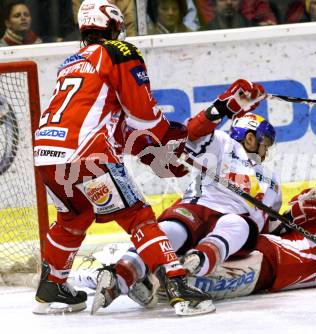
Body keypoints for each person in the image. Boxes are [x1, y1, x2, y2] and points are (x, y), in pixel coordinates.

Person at [32, 0, 215, 316]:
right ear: (114, 27)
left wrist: (151, 150)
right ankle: (177, 285)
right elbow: (143, 114)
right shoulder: (120, 52)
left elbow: (115, 126)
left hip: (48, 153)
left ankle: (52, 286)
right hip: (87, 154)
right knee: (138, 215)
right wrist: (166, 133)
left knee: (73, 217)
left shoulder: (71, 62)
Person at [74, 167, 316, 305]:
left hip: (263, 257)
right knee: (209, 251)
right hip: (268, 266)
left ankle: (120, 271)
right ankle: (150, 274)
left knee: (181, 248)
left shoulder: (308, 213)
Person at [78, 79, 274, 313]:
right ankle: (122, 274)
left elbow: (271, 228)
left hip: (225, 219)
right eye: (266, 143)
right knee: (175, 229)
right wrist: (226, 106)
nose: (267, 150)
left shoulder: (272, 180)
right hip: (197, 208)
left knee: (234, 225)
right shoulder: (224, 142)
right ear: (252, 139)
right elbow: (191, 133)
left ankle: (189, 264)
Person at [72, 0, 138, 37]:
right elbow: (80, 23)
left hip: (119, 47)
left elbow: (130, 26)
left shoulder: (126, 2)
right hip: (92, 45)